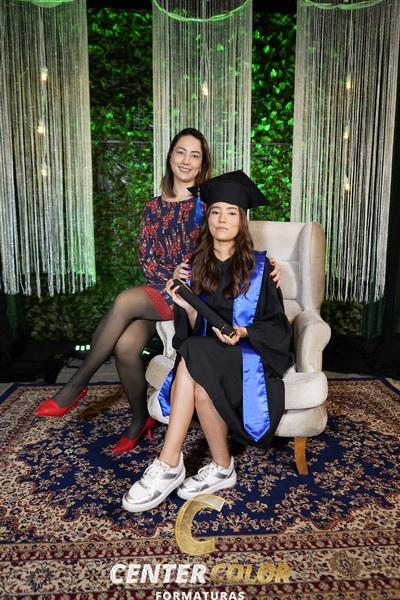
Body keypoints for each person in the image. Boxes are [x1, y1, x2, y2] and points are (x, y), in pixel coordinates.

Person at [35, 130, 281, 454]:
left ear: (203, 163)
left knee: (125, 301)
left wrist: (266, 263)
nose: (186, 160)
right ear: (170, 156)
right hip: (159, 290)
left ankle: (77, 384)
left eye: (195, 155)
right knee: (126, 347)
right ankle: (140, 419)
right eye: (181, 152)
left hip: (193, 294)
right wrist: (170, 276)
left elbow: (229, 242)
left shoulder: (208, 204)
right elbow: (146, 259)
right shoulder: (152, 207)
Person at [122, 170, 292, 513]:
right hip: (206, 354)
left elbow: (278, 329)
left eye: (231, 212)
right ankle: (222, 466)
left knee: (193, 357)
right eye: (215, 211)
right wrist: (185, 307)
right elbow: (192, 331)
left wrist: (243, 332)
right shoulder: (194, 267)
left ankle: (169, 463)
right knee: (198, 377)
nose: (222, 219)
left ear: (241, 221)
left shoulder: (261, 268)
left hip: (248, 358)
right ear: (208, 218)